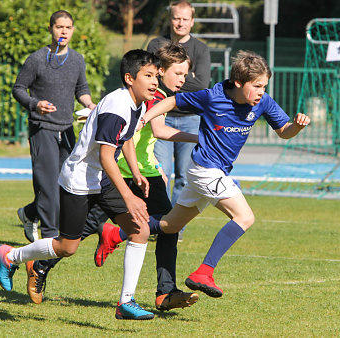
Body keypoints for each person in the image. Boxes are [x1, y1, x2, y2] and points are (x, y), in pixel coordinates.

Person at [100, 50, 311, 298]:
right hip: (205, 170)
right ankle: (204, 272)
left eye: (264, 86)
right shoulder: (213, 97)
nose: (261, 91)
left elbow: (284, 131)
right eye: (257, 86)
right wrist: (145, 118)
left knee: (169, 225)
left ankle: (116, 233)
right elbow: (173, 101)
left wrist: (296, 126)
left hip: (212, 172)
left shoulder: (263, 102)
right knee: (244, 217)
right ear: (239, 83)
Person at [0, 49, 159, 320]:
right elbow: (107, 156)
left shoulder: (139, 103)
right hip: (79, 181)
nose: (155, 81)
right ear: (130, 78)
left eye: (156, 76)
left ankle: (126, 303)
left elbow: (127, 139)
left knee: (140, 230)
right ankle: (10, 255)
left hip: (102, 180)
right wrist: (129, 197)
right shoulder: (116, 108)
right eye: (148, 76)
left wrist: (136, 172)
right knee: (67, 247)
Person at [95, 42, 200, 311]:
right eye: (178, 73)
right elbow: (160, 131)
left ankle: (165, 293)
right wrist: (203, 138)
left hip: (145, 173)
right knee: (73, 236)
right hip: (122, 173)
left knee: (169, 227)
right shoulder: (153, 95)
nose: (183, 79)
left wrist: (154, 165)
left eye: (185, 75)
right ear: (160, 70)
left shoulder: (157, 93)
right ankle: (37, 262)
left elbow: (142, 139)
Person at [11, 10, 109, 297]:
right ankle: (46, 252)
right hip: (42, 127)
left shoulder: (77, 59)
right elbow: (19, 88)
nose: (63, 31)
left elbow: (82, 89)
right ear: (51, 29)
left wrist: (91, 106)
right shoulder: (37, 59)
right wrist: (35, 103)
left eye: (67, 27)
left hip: (68, 130)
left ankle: (29, 214)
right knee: (49, 192)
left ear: (73, 30)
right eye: (58, 27)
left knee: (63, 189)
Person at [147, 0, 211, 241]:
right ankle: (158, 223)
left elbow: (202, 86)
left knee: (185, 177)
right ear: (170, 19)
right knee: (161, 174)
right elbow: (154, 77)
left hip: (192, 119)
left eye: (185, 19)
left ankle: (174, 228)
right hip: (160, 118)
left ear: (192, 21)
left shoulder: (201, 49)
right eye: (176, 18)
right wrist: (189, 79)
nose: (180, 22)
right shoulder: (157, 44)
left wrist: (180, 79)